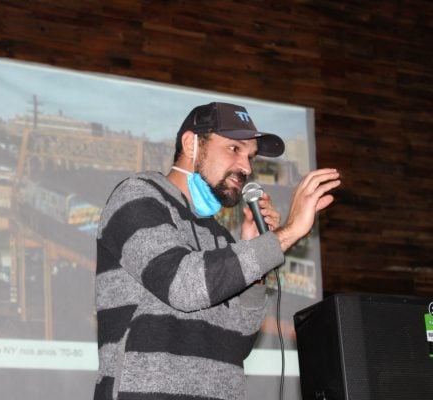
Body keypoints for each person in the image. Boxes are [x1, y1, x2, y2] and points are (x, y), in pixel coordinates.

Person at [93, 102, 341, 400]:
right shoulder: (137, 197)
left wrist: (254, 258)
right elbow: (182, 285)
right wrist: (287, 233)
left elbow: (237, 341)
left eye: (250, 156)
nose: (247, 167)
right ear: (191, 143)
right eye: (234, 149)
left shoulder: (222, 238)